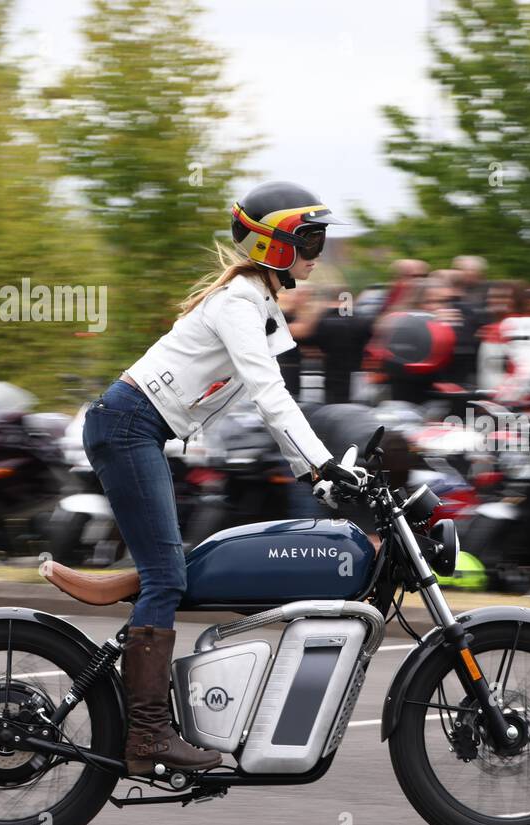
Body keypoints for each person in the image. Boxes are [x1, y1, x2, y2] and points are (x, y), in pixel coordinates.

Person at [84, 180, 368, 777]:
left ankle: (156, 710)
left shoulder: (258, 303)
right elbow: (271, 396)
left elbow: (272, 401)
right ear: (273, 245)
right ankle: (148, 736)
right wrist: (321, 463)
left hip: (136, 429)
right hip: (127, 426)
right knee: (166, 576)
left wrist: (314, 472)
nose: (318, 250)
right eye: (309, 238)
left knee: (175, 571)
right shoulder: (240, 302)